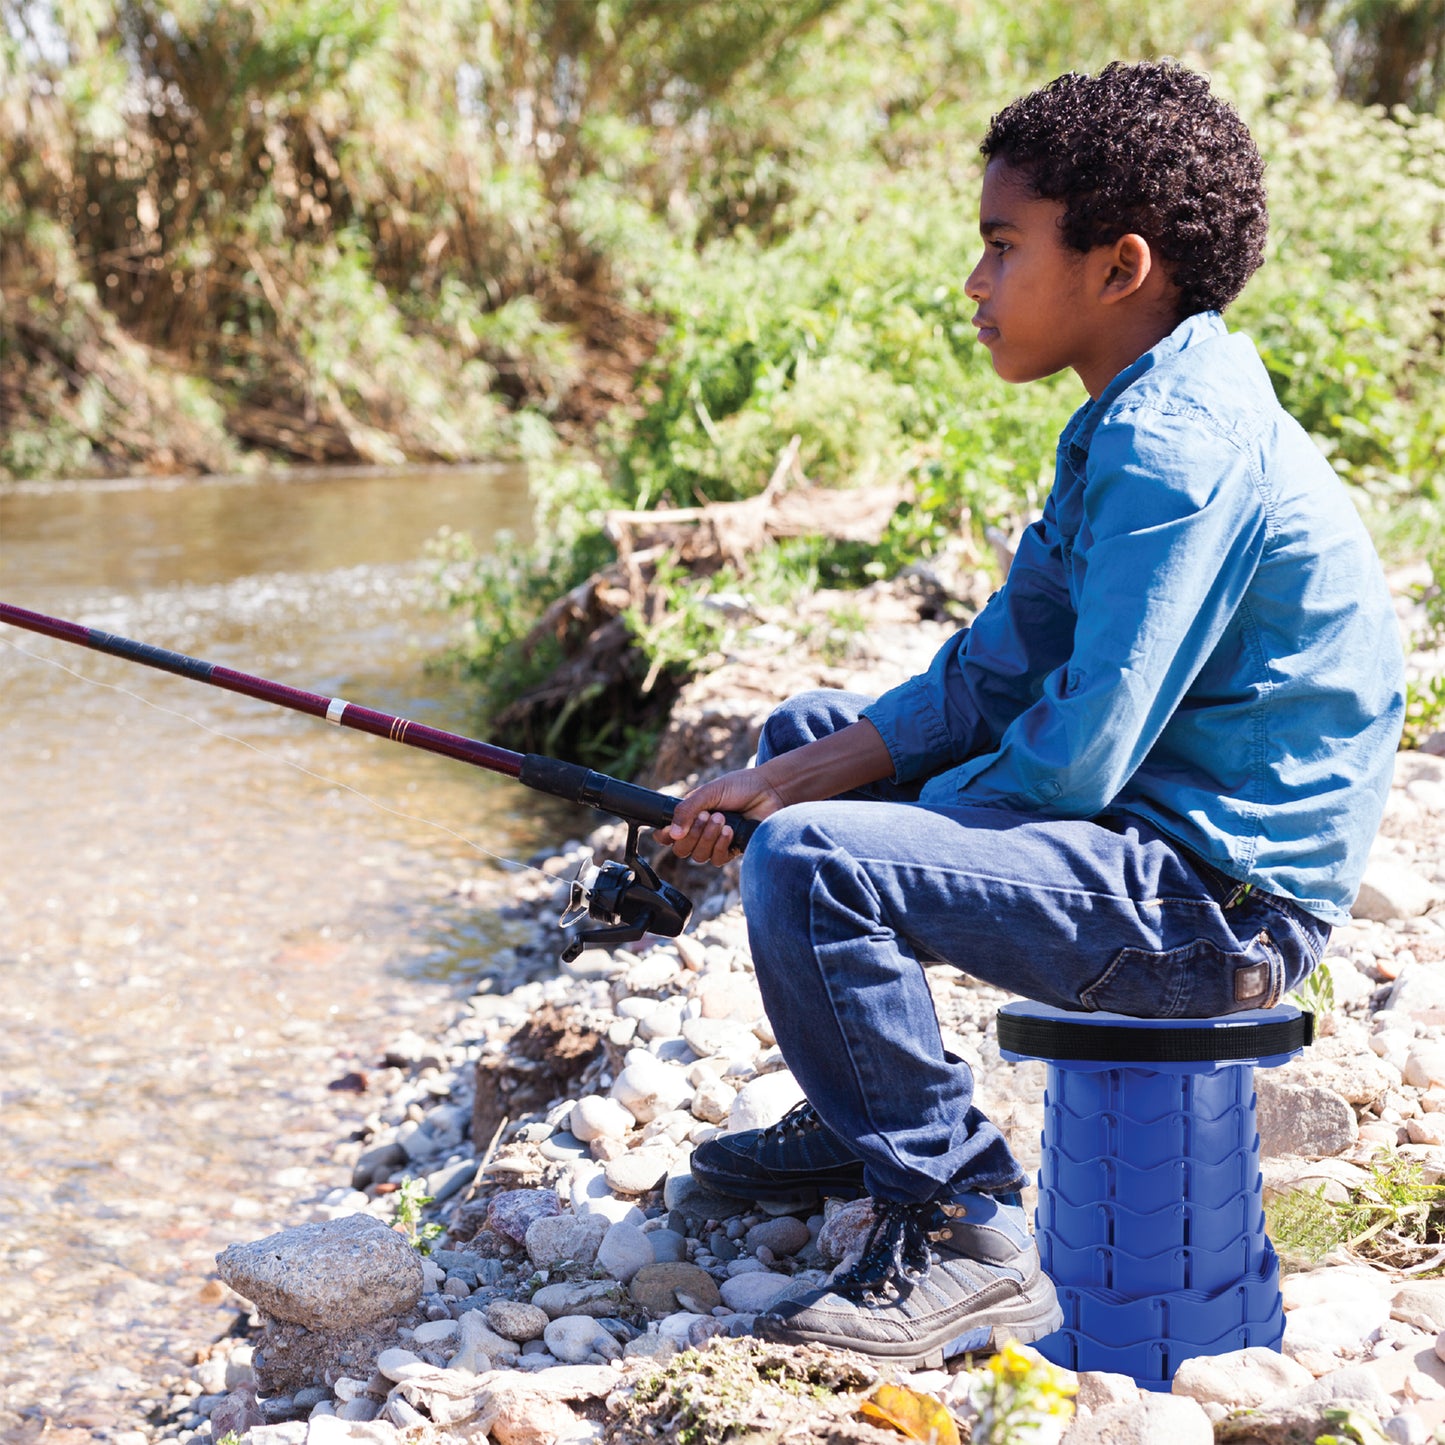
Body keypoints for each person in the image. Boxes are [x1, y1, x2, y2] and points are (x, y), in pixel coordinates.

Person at [661, 59, 1406, 1369]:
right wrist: (799, 782)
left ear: (1118, 268)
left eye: (1001, 248)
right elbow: (987, 677)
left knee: (817, 860)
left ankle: (960, 1229)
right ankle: (862, 1119)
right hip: (1149, 841)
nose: (975, 283)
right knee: (800, 748)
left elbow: (1074, 757)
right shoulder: (1132, 410)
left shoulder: (1176, 445)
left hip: (1220, 909)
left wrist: (842, 835)